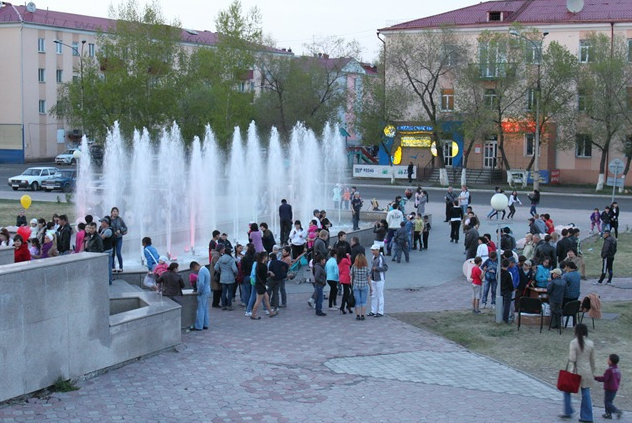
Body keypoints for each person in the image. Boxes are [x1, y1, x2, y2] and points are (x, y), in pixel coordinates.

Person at [561, 323, 595, 421]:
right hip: (587, 371)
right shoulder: (590, 343)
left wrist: (570, 370)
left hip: (575, 371)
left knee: (566, 390)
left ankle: (568, 411)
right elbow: (592, 360)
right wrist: (592, 371)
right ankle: (587, 416)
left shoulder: (573, 343)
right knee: (586, 393)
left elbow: (572, 359)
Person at [594, 353, 623, 420]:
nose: (607, 360)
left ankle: (617, 411)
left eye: (608, 359)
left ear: (611, 361)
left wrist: (595, 378)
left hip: (609, 388)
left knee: (607, 402)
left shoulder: (609, 370)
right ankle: (608, 414)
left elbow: (604, 379)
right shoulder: (617, 369)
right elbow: (619, 378)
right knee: (609, 401)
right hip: (615, 388)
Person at [251, 252, 278, 320]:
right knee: (258, 301)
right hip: (261, 285)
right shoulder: (263, 266)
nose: (267, 258)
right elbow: (264, 276)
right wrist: (270, 274)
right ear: (264, 257)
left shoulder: (258, 264)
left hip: (259, 284)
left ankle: (271, 312)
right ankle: (253, 314)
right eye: (266, 257)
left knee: (266, 298)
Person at [214, 246, 238, 310]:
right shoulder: (231, 259)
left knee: (223, 292)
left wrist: (220, 272)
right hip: (230, 278)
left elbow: (216, 268)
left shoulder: (220, 259)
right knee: (230, 292)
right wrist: (235, 275)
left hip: (223, 278)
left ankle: (223, 305)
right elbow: (235, 270)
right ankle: (229, 305)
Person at [189, 261, 210, 331]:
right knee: (205, 308)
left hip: (203, 292)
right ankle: (205, 324)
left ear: (195, 266)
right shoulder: (205, 269)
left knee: (200, 309)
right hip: (207, 291)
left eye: (194, 269)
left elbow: (201, 283)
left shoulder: (201, 271)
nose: (195, 271)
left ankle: (199, 326)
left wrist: (199, 291)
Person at [369, 244, 388, 317]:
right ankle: (373, 310)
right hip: (374, 278)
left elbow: (385, 267)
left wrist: (377, 268)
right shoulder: (373, 257)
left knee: (380, 295)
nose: (372, 252)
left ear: (377, 250)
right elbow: (372, 267)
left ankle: (380, 311)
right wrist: (370, 274)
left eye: (373, 250)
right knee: (374, 295)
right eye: (372, 250)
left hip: (380, 278)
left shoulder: (381, 258)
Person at [351, 253, 371, 320]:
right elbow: (368, 278)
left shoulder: (354, 266)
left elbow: (351, 276)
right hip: (364, 285)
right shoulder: (366, 267)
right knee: (363, 301)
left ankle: (357, 315)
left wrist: (351, 285)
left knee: (357, 301)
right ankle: (362, 315)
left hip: (356, 285)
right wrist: (371, 287)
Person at [109, 207, 127, 273]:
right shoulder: (109, 219)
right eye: (114, 211)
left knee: (118, 252)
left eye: (116, 211)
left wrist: (120, 230)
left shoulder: (120, 219)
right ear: (111, 212)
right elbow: (106, 227)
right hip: (111, 239)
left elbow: (125, 228)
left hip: (119, 238)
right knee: (112, 253)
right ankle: (113, 267)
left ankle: (121, 267)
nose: (115, 213)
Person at [99, 216, 114, 285]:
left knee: (108, 267)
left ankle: (109, 281)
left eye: (102, 222)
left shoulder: (108, 230)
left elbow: (101, 238)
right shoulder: (104, 229)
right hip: (105, 251)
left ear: (106, 223)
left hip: (107, 251)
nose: (101, 224)